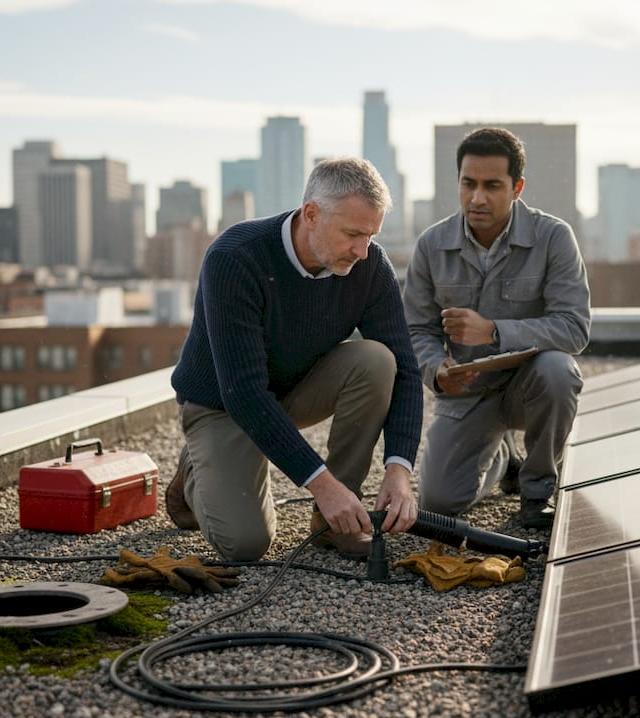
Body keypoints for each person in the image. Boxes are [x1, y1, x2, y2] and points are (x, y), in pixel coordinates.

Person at [166, 157, 423, 561]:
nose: (362, 250)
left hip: (293, 390)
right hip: (221, 406)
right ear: (312, 214)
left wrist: (399, 470)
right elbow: (244, 392)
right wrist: (321, 482)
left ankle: (332, 520)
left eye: (371, 236)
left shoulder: (369, 265)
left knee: (378, 361)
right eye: (353, 234)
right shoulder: (236, 258)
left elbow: (406, 370)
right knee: (246, 545)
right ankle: (195, 471)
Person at [403, 127, 591, 529]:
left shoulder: (554, 238)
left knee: (560, 372)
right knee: (438, 504)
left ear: (517, 187)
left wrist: (493, 331)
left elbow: (574, 327)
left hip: (530, 387)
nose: (477, 198)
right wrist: (437, 370)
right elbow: (416, 330)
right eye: (468, 184)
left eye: (492, 185)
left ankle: (537, 488)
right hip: (467, 394)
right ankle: (502, 456)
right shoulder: (431, 246)